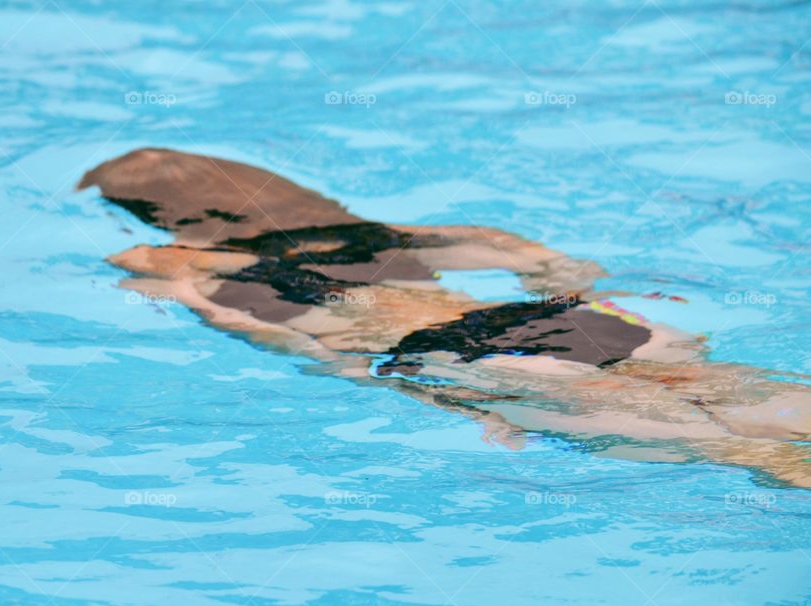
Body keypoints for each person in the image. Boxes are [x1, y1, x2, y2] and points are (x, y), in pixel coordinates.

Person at [79, 148, 811, 487]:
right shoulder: (387, 234)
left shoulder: (178, 262)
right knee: (734, 390)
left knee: (751, 456)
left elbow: (254, 327)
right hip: (562, 318)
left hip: (447, 352)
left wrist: (439, 393)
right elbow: (541, 261)